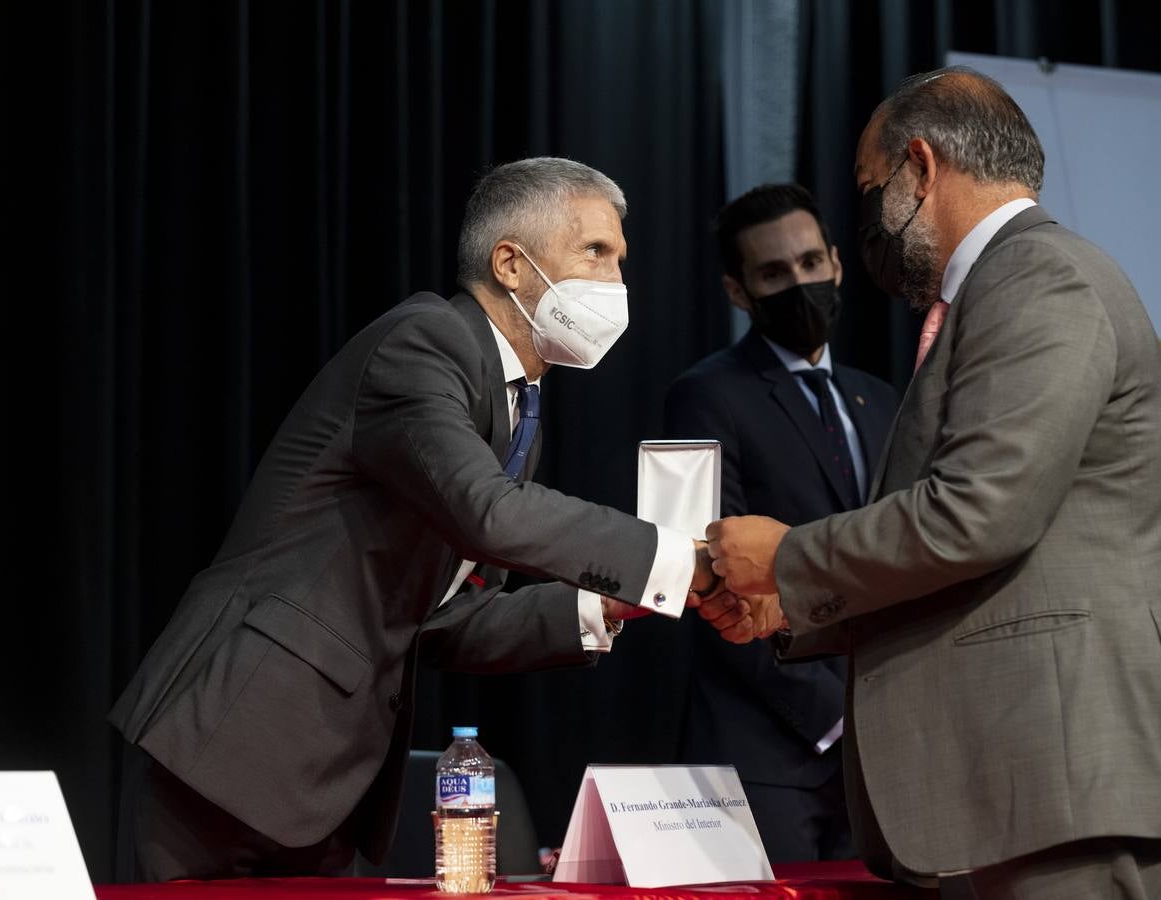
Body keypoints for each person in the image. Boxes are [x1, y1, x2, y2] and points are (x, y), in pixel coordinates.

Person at [700, 69, 1161, 899]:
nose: (870, 222)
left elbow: (975, 515)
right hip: (1028, 783)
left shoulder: (1038, 279)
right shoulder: (998, 290)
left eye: (872, 189)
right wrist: (793, 607)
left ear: (920, 167)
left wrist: (788, 557)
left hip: (1067, 776)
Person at [110, 157, 721, 882]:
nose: (617, 279)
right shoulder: (423, 343)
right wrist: (677, 561)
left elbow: (442, 619)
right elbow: (489, 514)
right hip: (232, 741)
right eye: (595, 252)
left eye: (620, 257)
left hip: (329, 777)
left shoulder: (515, 405)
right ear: (511, 264)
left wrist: (605, 603)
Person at [663, 184, 898, 862]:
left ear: (835, 263)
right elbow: (706, 583)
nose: (798, 282)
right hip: (763, 755)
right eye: (773, 273)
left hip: (883, 758)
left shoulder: (880, 400)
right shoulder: (704, 396)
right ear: (738, 292)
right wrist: (835, 715)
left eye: (808, 263)